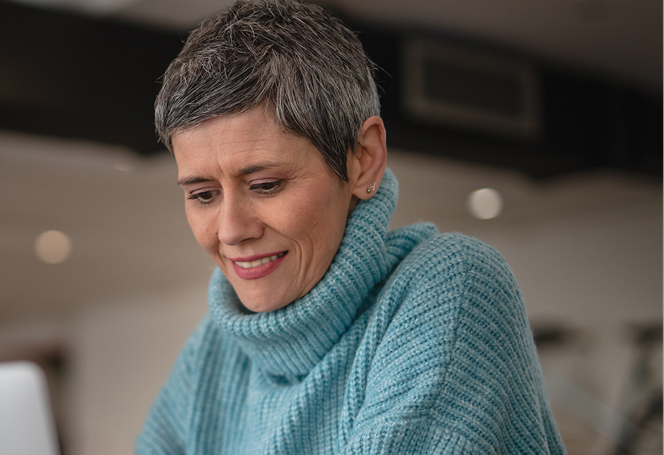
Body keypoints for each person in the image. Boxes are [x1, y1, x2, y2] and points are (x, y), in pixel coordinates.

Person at [137, 1, 567, 454]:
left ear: (364, 160)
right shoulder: (215, 349)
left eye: (265, 185)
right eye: (203, 195)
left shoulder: (452, 286)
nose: (230, 230)